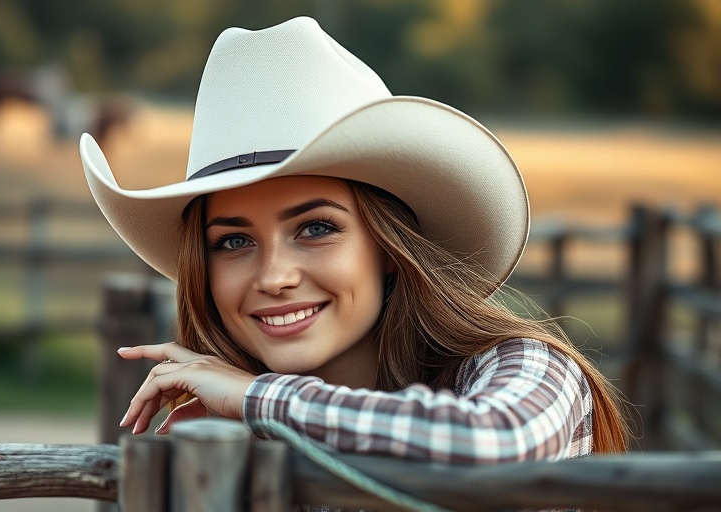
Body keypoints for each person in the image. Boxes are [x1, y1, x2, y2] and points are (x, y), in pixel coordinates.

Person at [80, 16, 628, 465]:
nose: (273, 277)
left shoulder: (521, 367)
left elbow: (497, 443)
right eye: (232, 242)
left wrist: (254, 399)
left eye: (316, 228)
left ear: (390, 248)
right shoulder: (227, 441)